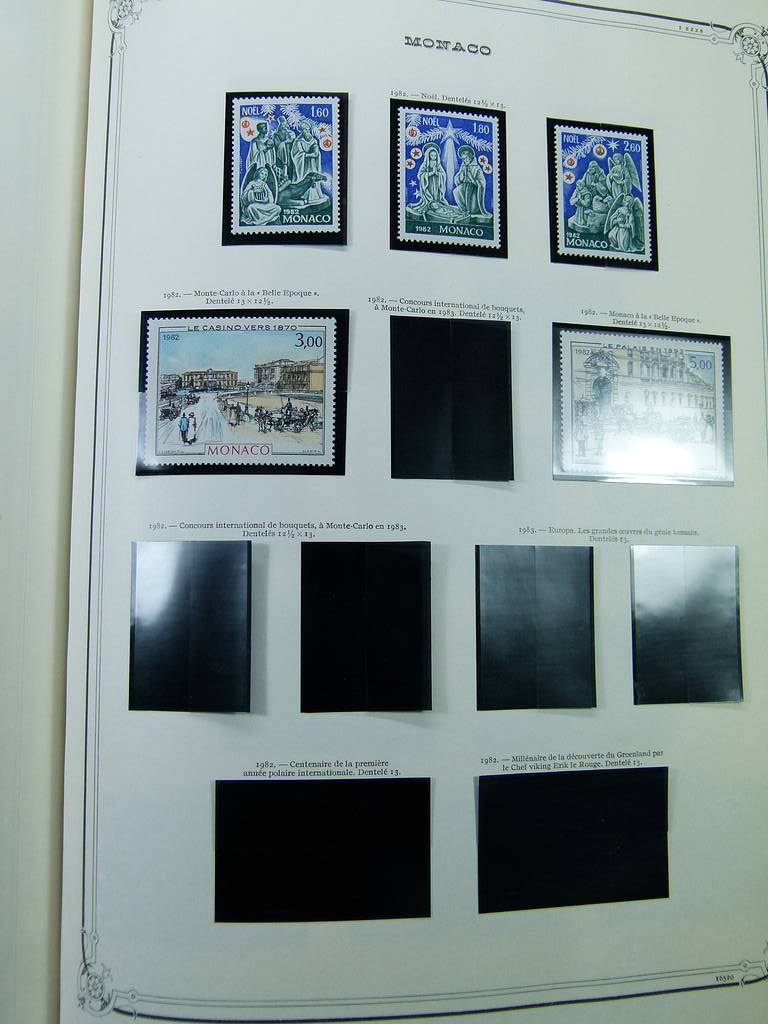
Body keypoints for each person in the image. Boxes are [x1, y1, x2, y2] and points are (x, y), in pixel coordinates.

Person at [452, 145, 491, 219]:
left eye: (466, 158)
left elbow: (482, 183)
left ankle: (473, 209)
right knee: (456, 191)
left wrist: (472, 179)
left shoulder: (477, 168)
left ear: (470, 157)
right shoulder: (463, 166)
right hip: (464, 190)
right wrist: (460, 178)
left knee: (472, 210)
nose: (465, 160)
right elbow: (457, 179)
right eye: (463, 159)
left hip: (474, 192)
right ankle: (463, 209)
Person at [291, 122, 325, 204]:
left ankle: (315, 195)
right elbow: (297, 154)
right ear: (301, 131)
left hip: (311, 163)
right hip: (302, 165)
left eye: (307, 129)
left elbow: (316, 153)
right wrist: (307, 155)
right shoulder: (298, 141)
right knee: (304, 179)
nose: (306, 131)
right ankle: (302, 195)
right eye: (303, 130)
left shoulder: (313, 140)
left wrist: (314, 153)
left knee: (313, 177)